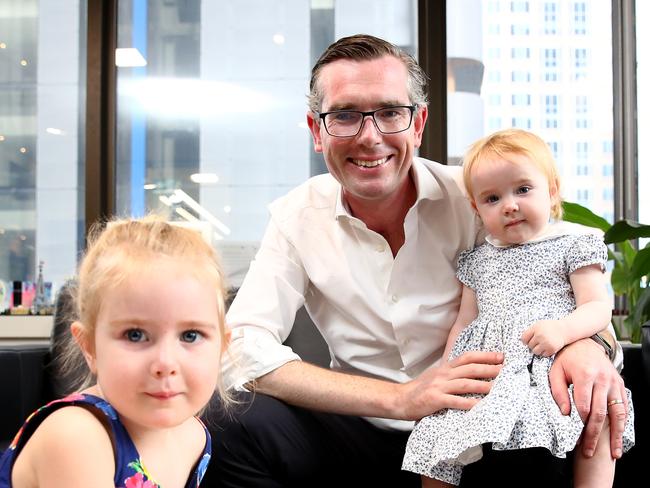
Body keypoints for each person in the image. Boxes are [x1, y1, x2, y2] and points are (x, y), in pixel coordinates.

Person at [205, 34, 629, 487]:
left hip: (477, 426)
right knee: (229, 422)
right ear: (316, 131)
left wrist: (589, 345)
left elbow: (561, 276)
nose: (370, 138)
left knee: (554, 420)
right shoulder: (296, 216)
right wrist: (399, 399)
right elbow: (242, 348)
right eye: (345, 115)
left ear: (418, 123)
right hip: (359, 427)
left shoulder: (480, 200)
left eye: (390, 113)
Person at [402, 129, 635, 487]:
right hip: (492, 368)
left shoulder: (571, 243)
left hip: (550, 360)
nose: (509, 205)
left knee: (594, 409)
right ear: (476, 209)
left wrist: (563, 331)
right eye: (492, 198)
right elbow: (464, 322)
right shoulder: (478, 260)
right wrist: (446, 371)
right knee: (438, 431)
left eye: (523, 190)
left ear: (552, 190)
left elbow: (597, 308)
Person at [0, 217, 232, 487]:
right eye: (135, 335)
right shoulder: (76, 437)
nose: (166, 363)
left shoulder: (194, 434)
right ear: (89, 346)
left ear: (221, 348)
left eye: (190, 335)